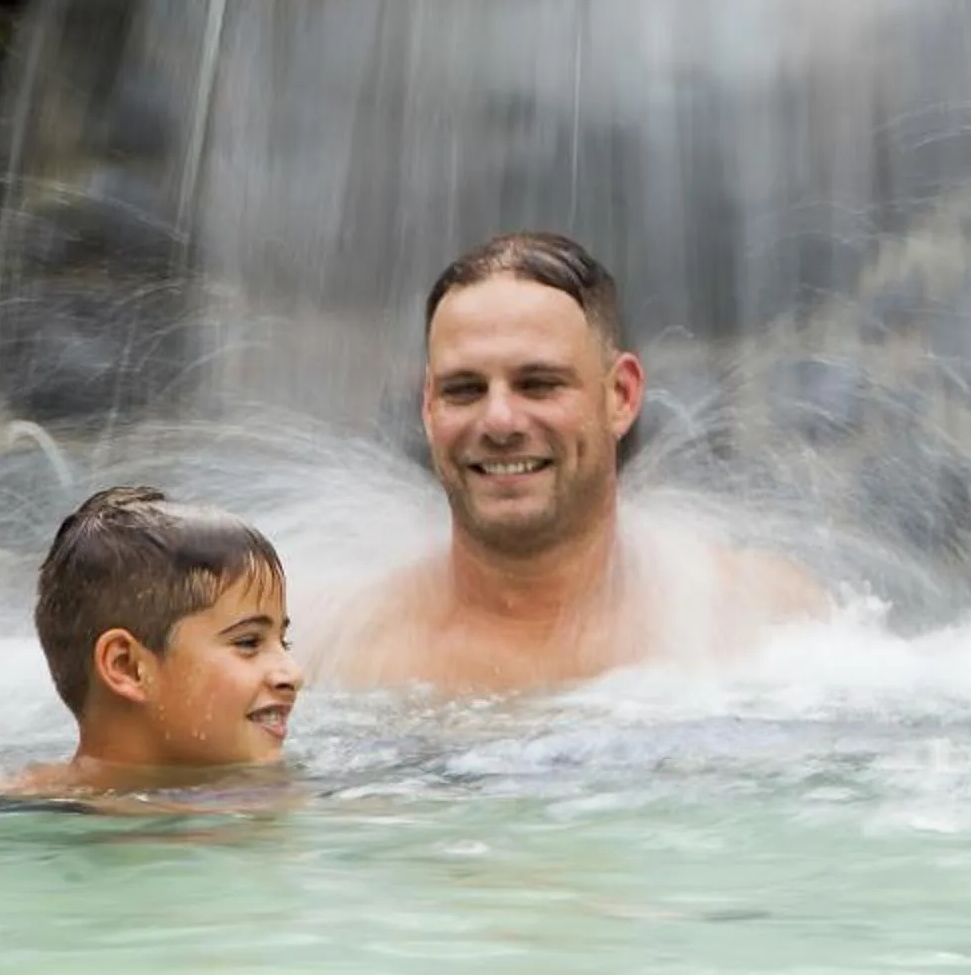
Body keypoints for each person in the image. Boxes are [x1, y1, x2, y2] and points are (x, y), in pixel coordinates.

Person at [317, 231, 827, 694]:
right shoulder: (336, 658)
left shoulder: (762, 624)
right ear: (429, 408)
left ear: (621, 396)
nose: (499, 421)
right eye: (465, 389)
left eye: (538, 384)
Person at [7, 485, 302, 794]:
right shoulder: (7, 815)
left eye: (284, 642)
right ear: (128, 667)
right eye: (248, 643)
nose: (293, 675)